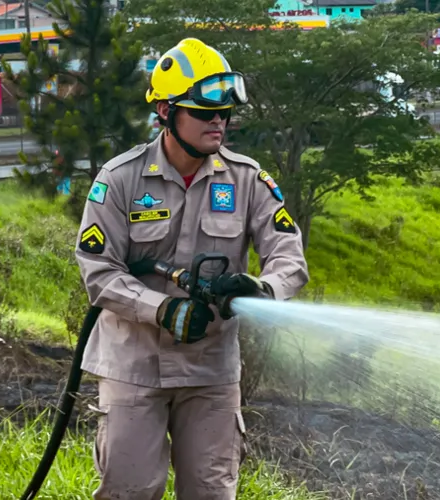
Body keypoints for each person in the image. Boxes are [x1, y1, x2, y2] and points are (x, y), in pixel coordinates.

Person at [74, 38, 310, 499]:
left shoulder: (247, 179)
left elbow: (289, 254)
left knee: (210, 491)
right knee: (130, 490)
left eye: (223, 112)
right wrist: (163, 309)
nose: (218, 121)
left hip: (210, 372)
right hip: (133, 367)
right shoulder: (119, 179)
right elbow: (98, 271)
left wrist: (263, 288)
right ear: (165, 111)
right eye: (204, 112)